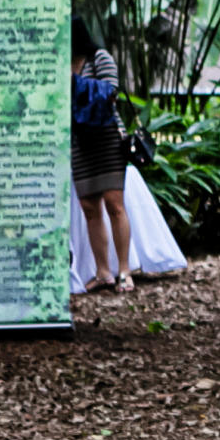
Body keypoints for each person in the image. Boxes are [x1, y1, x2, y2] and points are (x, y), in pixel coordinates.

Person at [71, 26, 134, 296]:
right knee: (89, 206)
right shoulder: (60, 62)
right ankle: (103, 272)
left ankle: (124, 270)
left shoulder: (100, 58)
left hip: (106, 136)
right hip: (79, 141)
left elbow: (109, 92)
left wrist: (71, 82)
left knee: (114, 203)